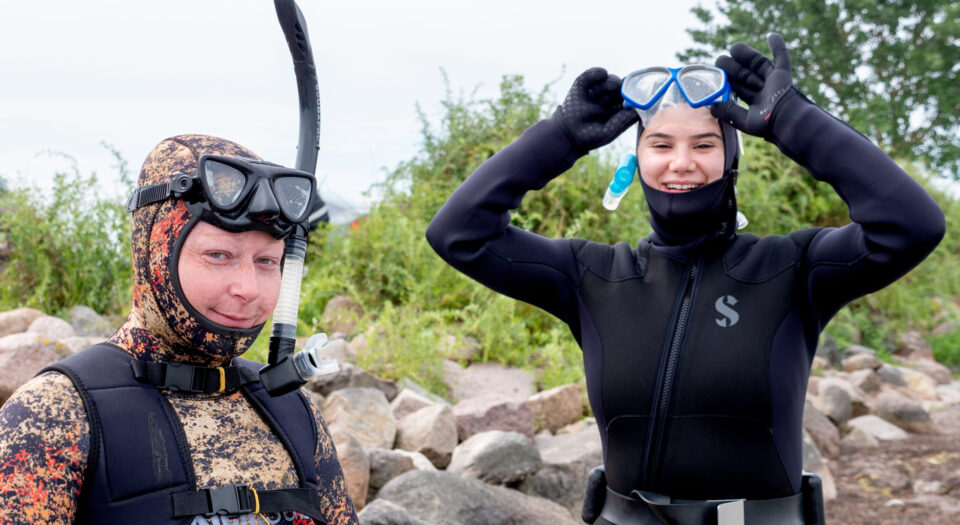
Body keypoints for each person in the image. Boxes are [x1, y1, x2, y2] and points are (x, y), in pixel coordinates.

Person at [426, 34, 945, 524]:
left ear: (730, 159)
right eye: (660, 145)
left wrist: (793, 119)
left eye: (703, 145)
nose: (681, 163)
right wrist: (560, 137)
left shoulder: (793, 269)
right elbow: (459, 233)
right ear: (636, 160)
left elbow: (911, 225)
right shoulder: (589, 276)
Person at [0, 135, 358, 524]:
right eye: (218, 256)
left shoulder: (295, 412)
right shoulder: (54, 413)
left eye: (267, 261)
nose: (249, 289)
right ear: (154, 252)